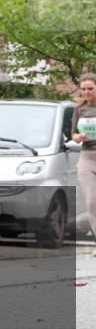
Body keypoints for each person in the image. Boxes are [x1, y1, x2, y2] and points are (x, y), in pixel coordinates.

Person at [71, 72, 96, 257]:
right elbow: (73, 133)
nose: (86, 92)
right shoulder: (79, 109)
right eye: (84, 89)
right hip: (87, 156)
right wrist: (78, 137)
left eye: (90, 88)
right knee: (91, 202)